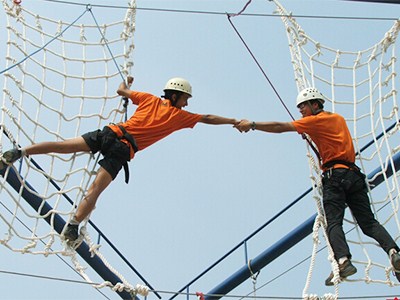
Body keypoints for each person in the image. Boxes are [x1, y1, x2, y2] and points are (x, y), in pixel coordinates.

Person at [0, 76, 239, 242]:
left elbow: (121, 90)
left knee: (63, 146)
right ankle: (72, 227)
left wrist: (128, 83)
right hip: (122, 150)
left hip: (110, 133)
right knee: (95, 190)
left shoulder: (148, 98)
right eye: (185, 98)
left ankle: (20, 152)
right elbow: (207, 118)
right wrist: (233, 121)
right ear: (176, 96)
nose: (187, 103)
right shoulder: (179, 116)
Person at [234, 87, 400, 285]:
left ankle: (343, 261)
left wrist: (252, 124)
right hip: (354, 175)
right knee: (369, 223)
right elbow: (328, 138)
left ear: (315, 104)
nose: (301, 110)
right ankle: (393, 251)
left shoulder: (315, 121)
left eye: (303, 106)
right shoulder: (338, 119)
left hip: (335, 177)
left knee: (333, 222)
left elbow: (280, 127)